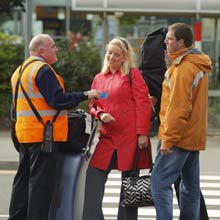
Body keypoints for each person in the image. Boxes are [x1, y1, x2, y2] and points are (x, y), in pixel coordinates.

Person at [8, 33, 100, 220]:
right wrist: (86, 94)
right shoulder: (42, 69)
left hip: (25, 134)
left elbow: (15, 109)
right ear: (41, 50)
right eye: (52, 47)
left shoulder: (20, 71)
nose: (56, 49)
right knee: (40, 186)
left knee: (23, 182)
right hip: (44, 136)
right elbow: (58, 100)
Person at [82, 36, 152, 220]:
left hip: (130, 137)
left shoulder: (132, 75)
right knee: (93, 176)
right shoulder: (99, 78)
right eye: (109, 52)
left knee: (129, 185)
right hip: (107, 137)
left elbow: (143, 105)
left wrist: (143, 134)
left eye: (116, 54)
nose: (111, 57)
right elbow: (93, 104)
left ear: (124, 57)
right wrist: (100, 114)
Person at [151, 23, 212, 220]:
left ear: (181, 42)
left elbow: (178, 109)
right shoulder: (197, 65)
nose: (166, 42)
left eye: (169, 39)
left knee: (159, 183)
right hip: (192, 136)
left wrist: (168, 140)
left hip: (177, 137)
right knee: (190, 187)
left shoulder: (183, 68)